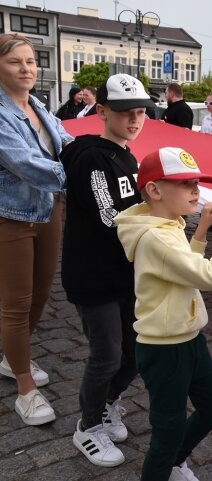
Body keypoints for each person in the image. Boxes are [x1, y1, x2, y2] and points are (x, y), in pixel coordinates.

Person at [115, 147, 212, 480]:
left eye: (196, 182)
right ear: (155, 190)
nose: (196, 190)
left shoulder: (166, 223)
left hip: (188, 339)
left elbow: (183, 268)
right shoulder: (156, 236)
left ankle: (173, 463)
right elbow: (208, 276)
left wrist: (200, 232)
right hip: (164, 348)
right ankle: (165, 466)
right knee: (167, 431)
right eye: (185, 183)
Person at [60, 74, 154, 467]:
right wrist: (157, 224)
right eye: (124, 112)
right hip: (93, 276)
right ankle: (87, 427)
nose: (134, 120)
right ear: (101, 111)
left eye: (140, 112)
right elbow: (108, 216)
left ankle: (106, 405)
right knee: (107, 355)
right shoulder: (92, 156)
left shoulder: (127, 155)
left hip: (124, 274)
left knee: (134, 353)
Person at [0, 33, 73, 425]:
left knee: (42, 292)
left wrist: (95, 156)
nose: (26, 68)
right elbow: (24, 163)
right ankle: (24, 387)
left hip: (47, 209)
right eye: (16, 62)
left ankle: (14, 357)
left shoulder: (39, 106)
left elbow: (66, 141)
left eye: (30, 61)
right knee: (16, 302)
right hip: (10, 214)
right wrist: (79, 174)